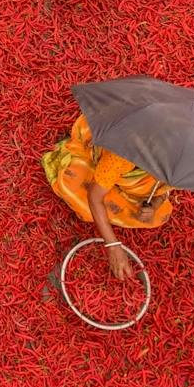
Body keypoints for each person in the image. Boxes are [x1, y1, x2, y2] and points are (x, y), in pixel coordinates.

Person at [42, 114, 174, 281]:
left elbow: (164, 188)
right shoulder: (124, 154)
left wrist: (154, 204)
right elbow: (94, 197)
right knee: (74, 187)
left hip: (125, 173)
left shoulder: (177, 160)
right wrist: (113, 245)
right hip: (107, 160)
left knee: (159, 215)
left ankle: (119, 186)